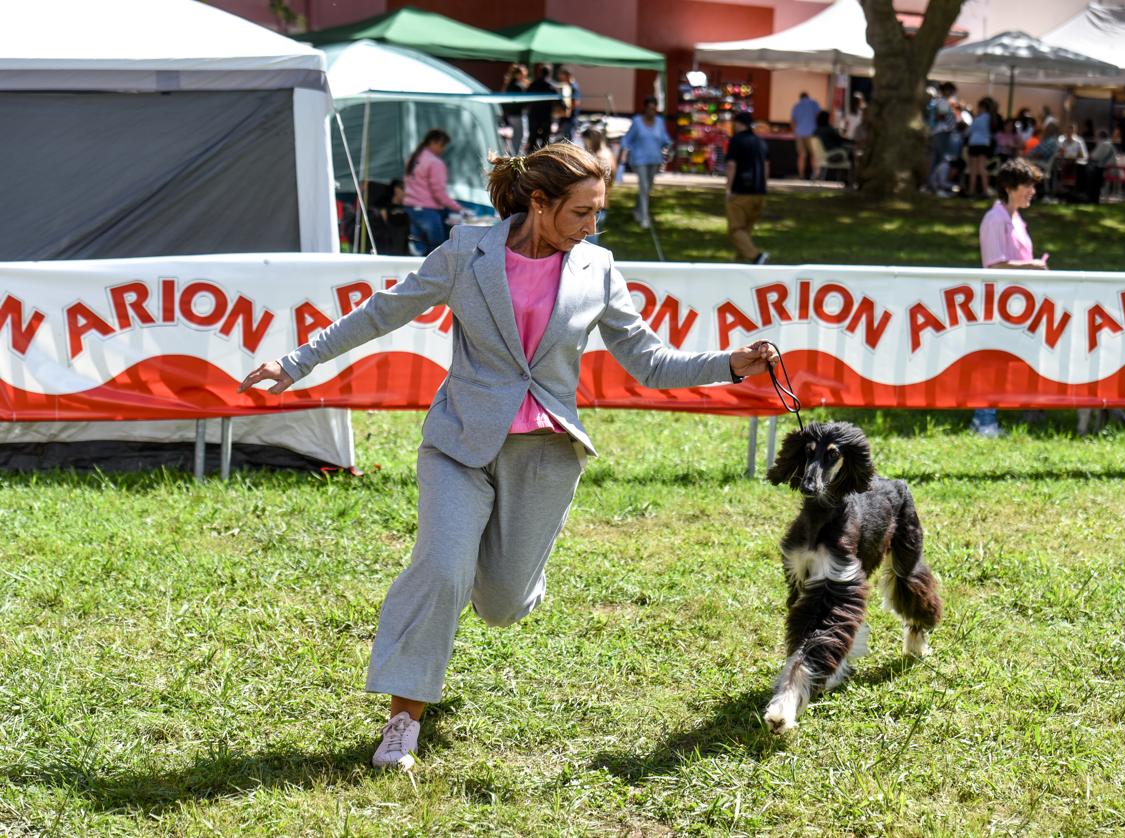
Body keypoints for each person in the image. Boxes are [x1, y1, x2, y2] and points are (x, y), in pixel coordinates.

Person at [236, 142, 780, 771]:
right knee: (440, 571)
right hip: (459, 443)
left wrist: (728, 364)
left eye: (598, 213)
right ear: (539, 203)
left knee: (500, 605)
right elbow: (382, 313)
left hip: (544, 452)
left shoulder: (597, 268)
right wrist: (296, 362)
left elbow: (648, 360)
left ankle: (510, 576)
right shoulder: (468, 252)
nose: (591, 227)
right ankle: (402, 723)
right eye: (582, 212)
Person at [972, 158, 1048, 437]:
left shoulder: (1016, 219)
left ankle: (1029, 408)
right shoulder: (995, 219)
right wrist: (1033, 266)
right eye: (1027, 185)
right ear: (1009, 187)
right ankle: (984, 421)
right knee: (993, 361)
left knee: (1020, 356)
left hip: (1018, 303)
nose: (1032, 191)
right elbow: (994, 264)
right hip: (998, 303)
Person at [402, 129, 463, 256]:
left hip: (411, 209)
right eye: (442, 146)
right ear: (434, 142)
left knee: (417, 249)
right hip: (428, 212)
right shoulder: (435, 163)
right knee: (436, 251)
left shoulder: (413, 159)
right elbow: (438, 193)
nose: (442, 150)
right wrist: (458, 208)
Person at [618, 96, 672, 229]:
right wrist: (623, 152)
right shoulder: (637, 122)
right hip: (639, 160)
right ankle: (645, 218)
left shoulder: (659, 122)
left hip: (655, 160)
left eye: (654, 109)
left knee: (647, 188)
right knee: (644, 187)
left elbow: (665, 138)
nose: (652, 111)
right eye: (649, 108)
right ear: (645, 109)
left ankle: (638, 210)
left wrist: (670, 146)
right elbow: (627, 139)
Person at [724, 110, 770, 264]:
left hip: (741, 191)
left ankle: (756, 257)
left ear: (738, 124)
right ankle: (741, 262)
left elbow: (731, 165)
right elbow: (766, 167)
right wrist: (764, 187)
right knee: (746, 230)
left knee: (735, 229)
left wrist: (728, 188)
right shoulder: (761, 142)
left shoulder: (736, 141)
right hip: (759, 192)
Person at [581, 127, 615, 243]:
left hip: (596, 207)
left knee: (589, 246)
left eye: (585, 142)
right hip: (602, 204)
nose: (585, 145)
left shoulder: (601, 158)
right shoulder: (608, 153)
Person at [964, 98, 995, 197]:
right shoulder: (991, 119)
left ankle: (971, 190)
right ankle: (985, 190)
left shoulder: (978, 119)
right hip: (985, 145)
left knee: (973, 169)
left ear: (982, 107)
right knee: (982, 168)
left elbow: (969, 131)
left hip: (974, 144)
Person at [526, 64, 557, 150]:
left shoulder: (533, 84)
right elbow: (558, 101)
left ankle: (530, 157)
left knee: (532, 138)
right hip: (546, 116)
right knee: (545, 140)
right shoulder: (551, 86)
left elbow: (526, 97)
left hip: (534, 114)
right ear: (549, 73)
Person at [501, 63, 529, 156]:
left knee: (516, 136)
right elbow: (524, 102)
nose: (524, 76)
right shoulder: (518, 86)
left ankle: (513, 153)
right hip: (517, 114)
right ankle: (515, 155)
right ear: (518, 74)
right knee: (520, 136)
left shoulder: (509, 85)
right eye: (522, 74)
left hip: (511, 114)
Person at [791, 91, 820, 178]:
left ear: (800, 98)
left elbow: (792, 121)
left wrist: (795, 132)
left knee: (801, 156)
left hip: (799, 133)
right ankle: (816, 174)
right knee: (814, 155)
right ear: (808, 96)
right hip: (812, 133)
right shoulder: (814, 103)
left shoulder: (796, 106)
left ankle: (801, 175)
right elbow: (818, 116)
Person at [556, 66, 581, 144]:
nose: (561, 79)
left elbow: (576, 103)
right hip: (566, 119)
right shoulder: (568, 86)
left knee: (568, 141)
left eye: (562, 77)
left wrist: (565, 110)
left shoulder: (573, 87)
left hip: (570, 119)